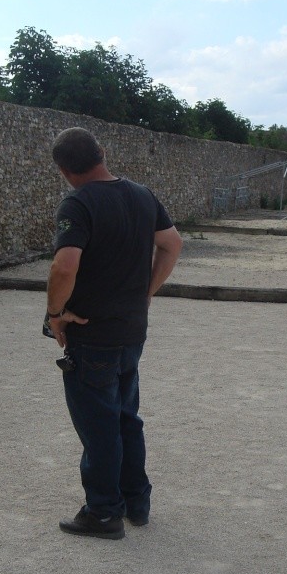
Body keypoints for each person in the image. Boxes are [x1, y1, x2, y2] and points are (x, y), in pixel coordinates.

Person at [43, 127, 182, 540]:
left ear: (65, 170)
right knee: (125, 418)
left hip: (93, 333)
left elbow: (64, 266)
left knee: (99, 425)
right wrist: (146, 292)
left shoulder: (78, 202)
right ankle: (136, 502)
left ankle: (103, 512)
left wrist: (55, 314)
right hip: (131, 330)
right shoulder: (142, 194)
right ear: (103, 153)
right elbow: (172, 244)